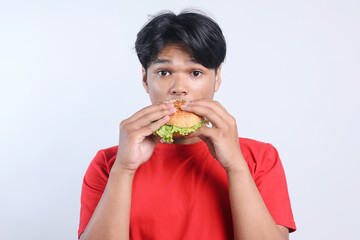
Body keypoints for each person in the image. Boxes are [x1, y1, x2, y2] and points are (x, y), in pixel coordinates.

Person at [78, 10, 296, 240]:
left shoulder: (260, 159)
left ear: (217, 78)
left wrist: (236, 166)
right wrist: (123, 170)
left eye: (195, 72)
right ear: (145, 79)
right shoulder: (109, 164)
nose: (179, 88)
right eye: (163, 72)